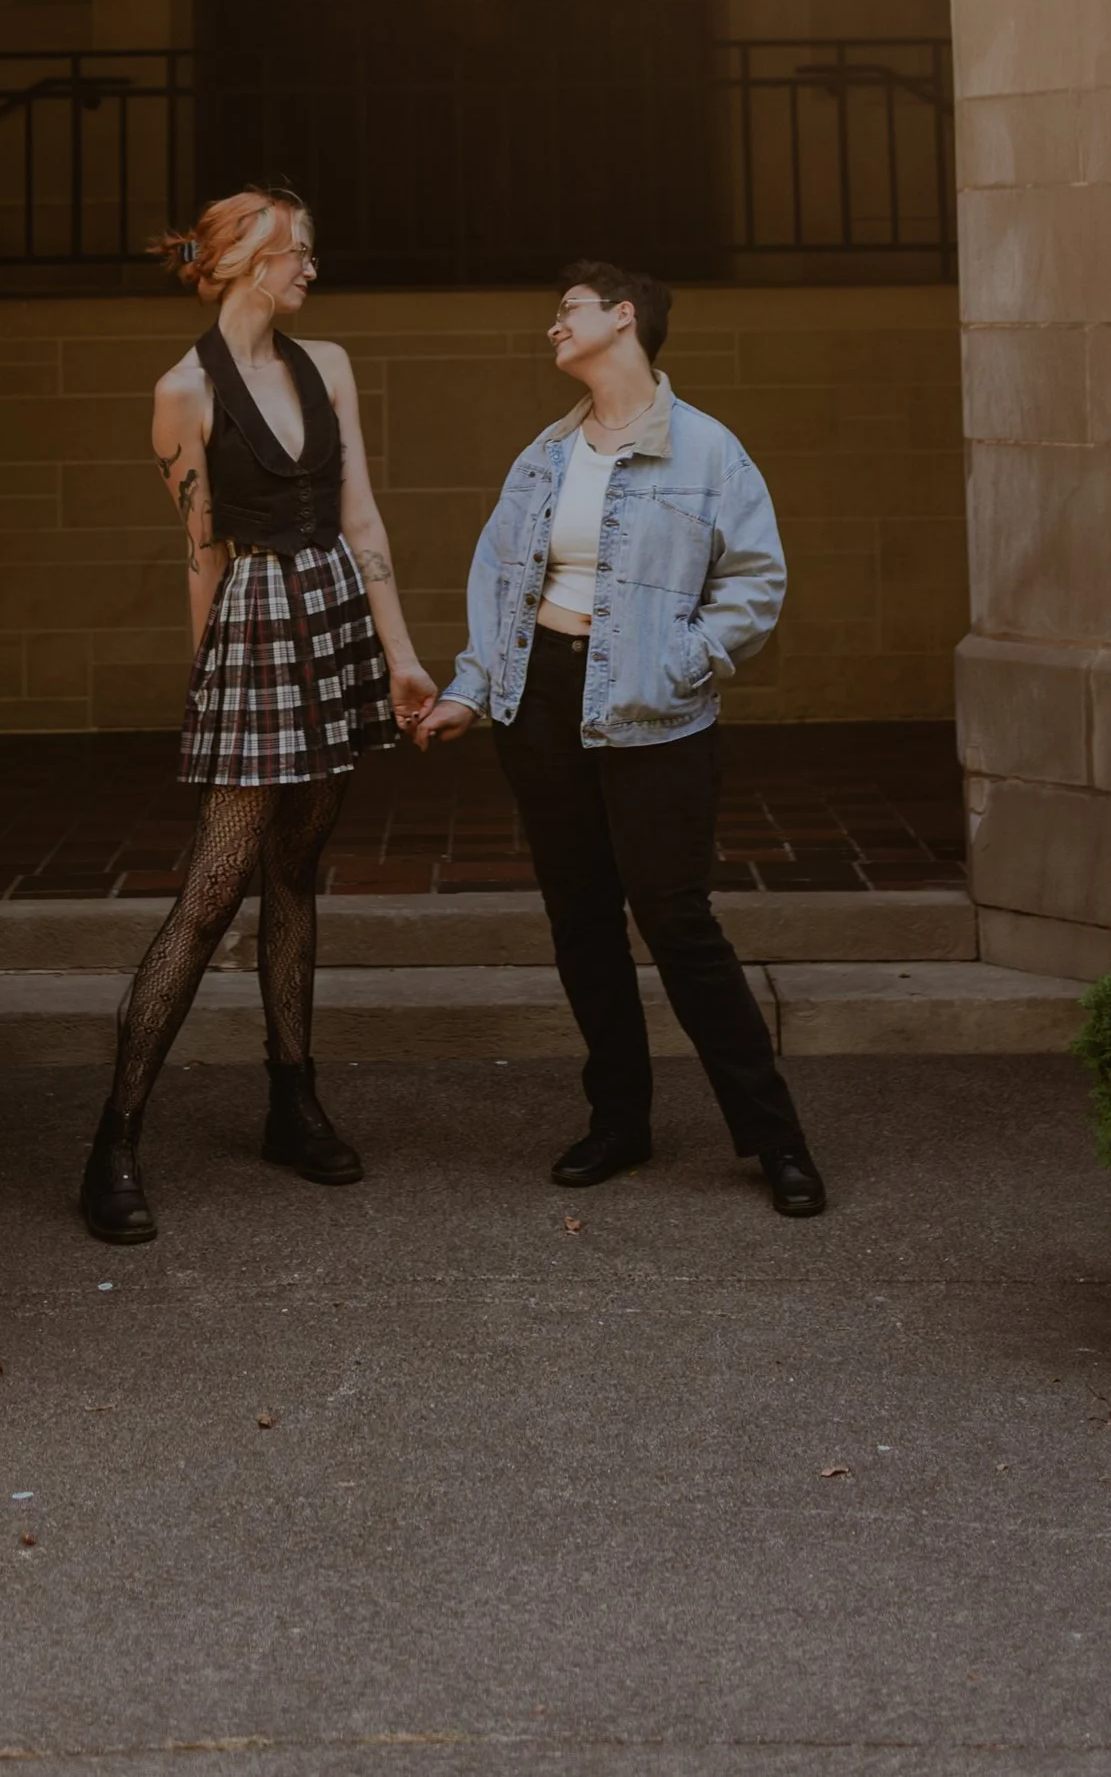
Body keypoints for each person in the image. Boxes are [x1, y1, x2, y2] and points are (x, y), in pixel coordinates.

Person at [416, 260, 825, 1216]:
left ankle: (776, 1139)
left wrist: (684, 660)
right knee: (583, 920)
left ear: (623, 318)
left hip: (655, 711)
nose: (553, 326)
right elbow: (498, 583)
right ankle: (619, 1122)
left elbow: (757, 581)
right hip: (542, 704)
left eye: (569, 310)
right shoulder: (544, 457)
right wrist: (470, 692)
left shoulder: (710, 451)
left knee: (679, 924)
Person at [79, 184, 438, 1244]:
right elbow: (200, 552)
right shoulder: (182, 391)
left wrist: (401, 656)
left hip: (331, 615)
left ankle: (293, 1101)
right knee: (211, 890)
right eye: (296, 253)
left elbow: (360, 510)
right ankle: (113, 1139)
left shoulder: (327, 367)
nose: (310, 270)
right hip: (254, 624)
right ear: (243, 258)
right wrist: (209, 687)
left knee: (296, 870)